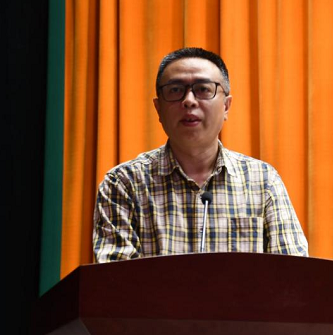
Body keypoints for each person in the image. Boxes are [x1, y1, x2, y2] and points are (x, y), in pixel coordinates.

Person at [93, 47, 309, 261]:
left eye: (203, 89)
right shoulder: (124, 183)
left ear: (226, 106)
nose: (189, 100)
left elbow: (293, 274)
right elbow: (115, 279)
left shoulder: (262, 181)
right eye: (175, 90)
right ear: (158, 109)